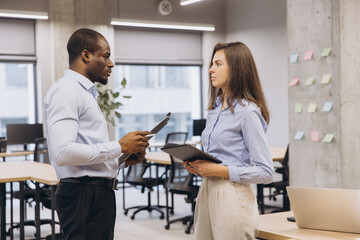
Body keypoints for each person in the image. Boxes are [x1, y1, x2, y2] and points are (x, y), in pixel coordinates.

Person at [44, 28, 150, 240]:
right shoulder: (66, 90)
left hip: (95, 193)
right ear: (86, 55)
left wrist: (120, 160)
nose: (111, 64)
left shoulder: (84, 92)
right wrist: (119, 146)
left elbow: (87, 149)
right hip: (83, 195)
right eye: (106, 56)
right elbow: (63, 153)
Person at [183, 42, 274, 240]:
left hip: (232, 193)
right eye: (212, 64)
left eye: (218, 64)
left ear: (237, 68)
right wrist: (198, 166)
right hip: (207, 188)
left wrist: (218, 170)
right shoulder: (214, 110)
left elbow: (266, 172)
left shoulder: (248, 112)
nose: (210, 69)